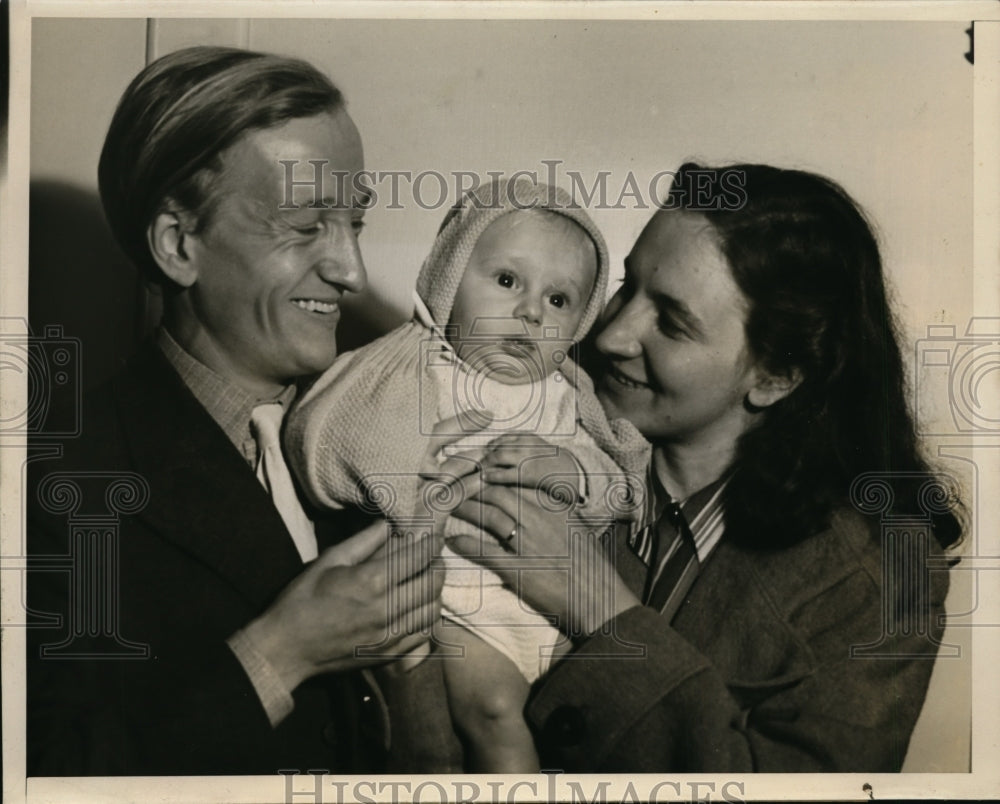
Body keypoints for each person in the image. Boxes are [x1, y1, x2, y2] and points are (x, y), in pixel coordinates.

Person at [447, 163, 963, 771]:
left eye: (670, 321)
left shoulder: (879, 579)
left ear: (776, 376)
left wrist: (599, 609)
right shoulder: (527, 415)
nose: (611, 335)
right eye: (626, 287)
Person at [26, 46, 446, 776]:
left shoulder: (384, 440)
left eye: (355, 224)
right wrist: (278, 653)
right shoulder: (59, 483)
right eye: (308, 227)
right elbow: (48, 770)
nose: (351, 271)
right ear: (178, 245)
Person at [285, 177, 650, 772]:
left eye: (559, 300)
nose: (530, 311)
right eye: (507, 282)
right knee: (495, 714)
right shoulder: (415, 363)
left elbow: (619, 483)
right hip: (456, 608)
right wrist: (407, 476)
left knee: (590, 719)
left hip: (556, 611)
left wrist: (573, 473)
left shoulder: (568, 394)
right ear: (450, 280)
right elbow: (321, 435)